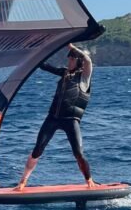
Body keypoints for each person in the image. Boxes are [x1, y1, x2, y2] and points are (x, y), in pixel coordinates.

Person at [15, 43, 96, 190]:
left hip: (71, 121)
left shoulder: (84, 77)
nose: (69, 61)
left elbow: (88, 61)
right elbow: (45, 66)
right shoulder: (64, 73)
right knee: (37, 149)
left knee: (78, 153)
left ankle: (89, 180)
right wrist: (34, 55)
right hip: (53, 118)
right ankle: (22, 182)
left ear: (78, 61)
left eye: (72, 59)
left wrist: (71, 47)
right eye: (68, 59)